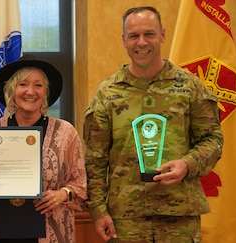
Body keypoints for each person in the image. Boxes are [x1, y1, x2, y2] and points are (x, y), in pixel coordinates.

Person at [83, 6, 224, 243]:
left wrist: (187, 164)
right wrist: (97, 210)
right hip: (126, 219)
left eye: (149, 34)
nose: (141, 42)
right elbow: (95, 159)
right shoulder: (108, 93)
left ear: (162, 35)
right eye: (133, 36)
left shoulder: (189, 86)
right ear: (124, 40)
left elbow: (213, 140)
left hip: (179, 216)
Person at [0, 55, 87, 243]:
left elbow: (80, 184)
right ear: (12, 90)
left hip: (51, 232)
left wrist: (62, 194)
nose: (30, 91)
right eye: (23, 84)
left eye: (38, 85)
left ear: (46, 92)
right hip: (2, 232)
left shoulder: (65, 133)